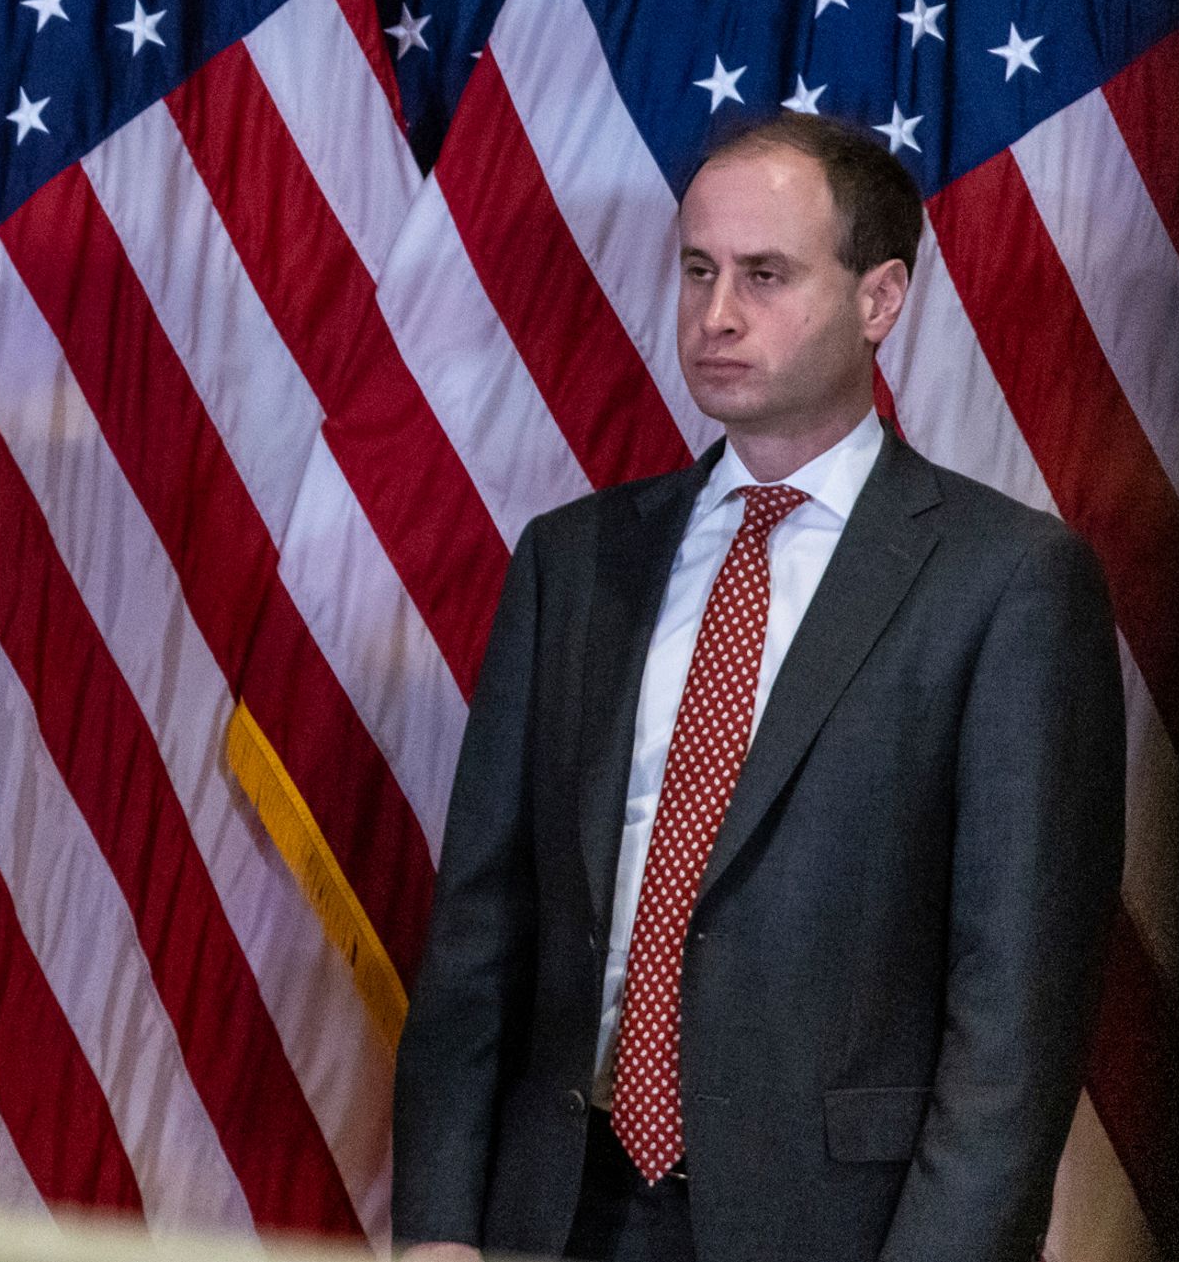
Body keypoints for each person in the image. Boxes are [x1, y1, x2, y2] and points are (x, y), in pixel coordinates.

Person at [394, 111, 1126, 1262]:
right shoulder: (573, 561)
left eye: (766, 274)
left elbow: (1015, 1019)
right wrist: (439, 1224)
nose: (716, 314)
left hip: (836, 1229)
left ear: (879, 299)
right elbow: (479, 933)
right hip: (555, 1212)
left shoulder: (1008, 583)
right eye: (698, 269)